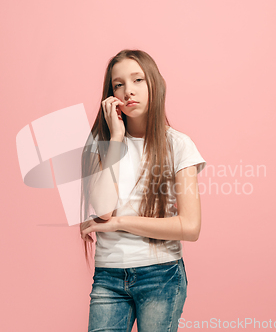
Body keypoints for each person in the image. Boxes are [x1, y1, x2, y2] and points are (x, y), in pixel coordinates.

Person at [79, 49, 206, 332]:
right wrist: (116, 139)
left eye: (138, 80)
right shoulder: (101, 145)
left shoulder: (178, 145)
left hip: (161, 274)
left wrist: (120, 223)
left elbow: (190, 227)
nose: (128, 91)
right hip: (108, 276)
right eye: (118, 84)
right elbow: (103, 212)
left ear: (154, 85)